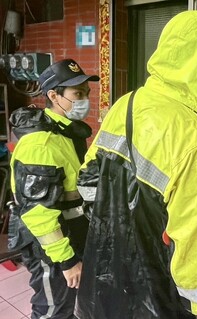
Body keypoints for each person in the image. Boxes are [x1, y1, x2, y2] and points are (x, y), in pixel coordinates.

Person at [75, 11, 197, 319]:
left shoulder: (127, 103)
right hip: (159, 298)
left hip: (108, 283)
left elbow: (88, 180)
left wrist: (122, 233)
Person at [8, 58, 98, 318]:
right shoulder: (42, 144)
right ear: (53, 95)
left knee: (69, 307)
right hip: (50, 248)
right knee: (53, 310)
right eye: (77, 94)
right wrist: (66, 260)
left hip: (71, 236)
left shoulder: (66, 133)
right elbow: (39, 214)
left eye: (86, 93)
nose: (84, 100)